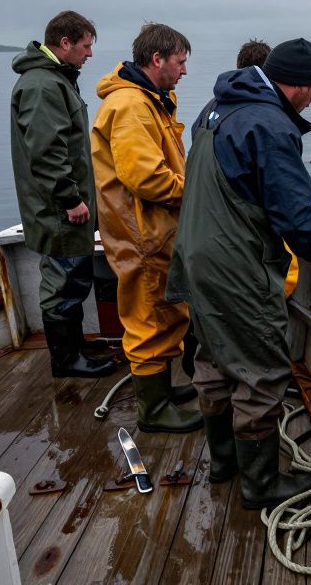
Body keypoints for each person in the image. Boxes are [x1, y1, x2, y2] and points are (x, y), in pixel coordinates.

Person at [167, 38, 311, 510]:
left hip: (194, 256)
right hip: (235, 267)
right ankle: (260, 484)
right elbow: (291, 211)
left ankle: (224, 463)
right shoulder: (269, 124)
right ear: (300, 84)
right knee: (260, 370)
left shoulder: (216, 107)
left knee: (211, 360)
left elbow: (235, 180)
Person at [90, 23, 201, 433]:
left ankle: (164, 391)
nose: (184, 71)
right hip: (141, 233)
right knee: (149, 316)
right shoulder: (131, 107)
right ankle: (153, 410)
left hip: (156, 229)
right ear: (157, 60)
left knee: (168, 311)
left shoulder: (153, 100)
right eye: (180, 61)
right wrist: (197, 194)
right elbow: (147, 178)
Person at [9, 10, 117, 379]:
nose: (89, 54)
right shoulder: (42, 85)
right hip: (57, 208)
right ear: (65, 42)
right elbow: (47, 150)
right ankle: (66, 359)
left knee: (73, 277)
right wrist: (70, 199)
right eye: (86, 46)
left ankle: (75, 346)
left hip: (60, 205)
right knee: (64, 281)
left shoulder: (56, 80)